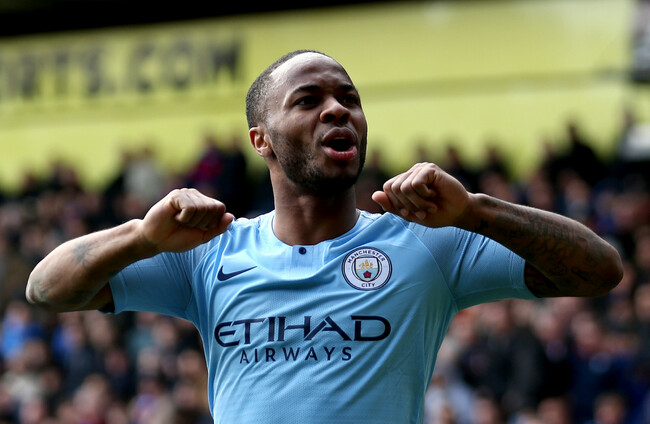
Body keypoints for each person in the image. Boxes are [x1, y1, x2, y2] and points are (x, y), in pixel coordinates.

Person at [25, 49, 623, 424]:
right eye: (308, 101)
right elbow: (47, 290)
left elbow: (600, 271)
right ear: (260, 140)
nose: (338, 111)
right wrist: (140, 236)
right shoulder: (209, 254)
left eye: (349, 100)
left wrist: (477, 211)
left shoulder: (427, 244)